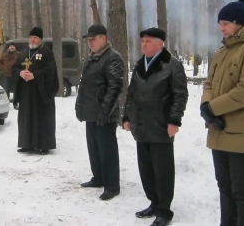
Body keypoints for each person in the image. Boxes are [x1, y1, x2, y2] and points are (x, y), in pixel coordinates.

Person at [200, 0, 244, 226]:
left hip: (242, 131)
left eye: (225, 23)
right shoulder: (222, 52)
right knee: (224, 188)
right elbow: (209, 83)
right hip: (218, 129)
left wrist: (212, 108)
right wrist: (206, 106)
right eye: (220, 23)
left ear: (239, 23)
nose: (221, 28)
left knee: (240, 189)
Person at [122, 28, 188, 226]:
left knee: (163, 170)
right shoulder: (139, 65)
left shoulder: (172, 65)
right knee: (146, 168)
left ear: (160, 44)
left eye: (148, 41)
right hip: (141, 125)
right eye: (142, 41)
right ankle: (153, 202)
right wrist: (127, 116)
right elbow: (131, 93)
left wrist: (174, 120)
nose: (143, 44)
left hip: (160, 126)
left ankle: (164, 210)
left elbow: (180, 94)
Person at [75, 24, 124, 201]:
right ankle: (99, 177)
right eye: (89, 40)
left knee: (107, 150)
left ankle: (112, 185)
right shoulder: (92, 58)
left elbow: (115, 86)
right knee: (94, 148)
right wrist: (80, 106)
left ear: (104, 38)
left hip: (104, 114)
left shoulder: (112, 58)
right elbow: (85, 85)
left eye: (93, 39)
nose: (90, 43)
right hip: (91, 112)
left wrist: (105, 111)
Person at [11, 27, 59, 155]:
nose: (32, 39)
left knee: (42, 118)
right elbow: (14, 68)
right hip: (26, 93)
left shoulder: (47, 53)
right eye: (31, 37)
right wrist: (21, 73)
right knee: (26, 118)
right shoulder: (22, 53)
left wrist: (35, 76)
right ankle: (26, 144)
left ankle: (44, 145)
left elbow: (50, 72)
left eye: (35, 37)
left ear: (40, 40)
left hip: (41, 93)